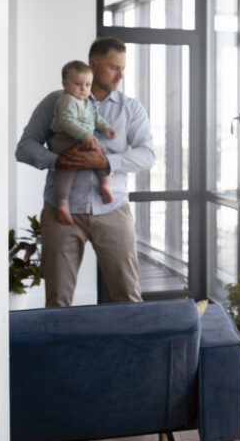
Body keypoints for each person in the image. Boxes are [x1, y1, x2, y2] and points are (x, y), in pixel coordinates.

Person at [16, 37, 155, 307]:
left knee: (128, 298)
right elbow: (24, 148)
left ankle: (130, 350)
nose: (121, 75)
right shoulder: (56, 102)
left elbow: (147, 155)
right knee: (57, 301)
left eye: (123, 68)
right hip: (61, 212)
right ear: (94, 64)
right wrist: (58, 161)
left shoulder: (131, 108)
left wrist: (104, 162)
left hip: (113, 209)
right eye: (114, 67)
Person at [49, 60, 117, 225]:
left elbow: (95, 118)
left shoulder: (86, 102)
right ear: (65, 84)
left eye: (87, 85)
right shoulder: (67, 100)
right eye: (78, 84)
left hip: (81, 139)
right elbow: (67, 122)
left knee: (100, 153)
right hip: (64, 138)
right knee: (68, 164)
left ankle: (106, 182)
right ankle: (63, 202)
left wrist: (105, 127)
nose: (83, 89)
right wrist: (85, 135)